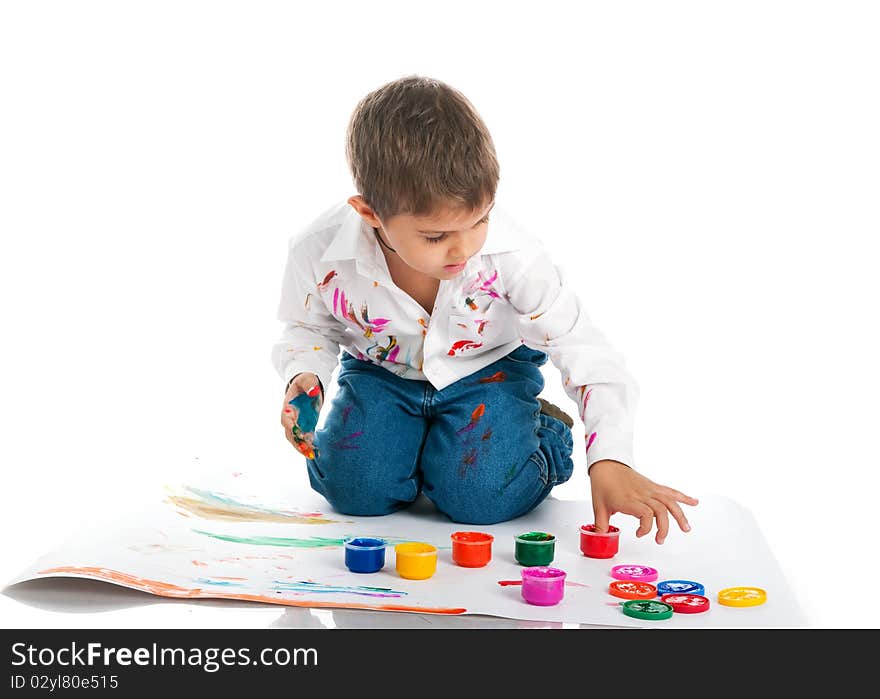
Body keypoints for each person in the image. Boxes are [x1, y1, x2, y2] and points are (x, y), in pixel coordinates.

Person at [271, 75, 697, 542]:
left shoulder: (514, 256)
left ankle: (542, 432)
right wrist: (304, 374)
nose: (464, 248)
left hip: (489, 370)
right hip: (380, 372)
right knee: (353, 492)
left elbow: (585, 350)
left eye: (481, 220)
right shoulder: (317, 248)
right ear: (369, 213)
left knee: (478, 500)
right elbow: (306, 327)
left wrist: (611, 459)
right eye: (435, 236)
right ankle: (420, 450)